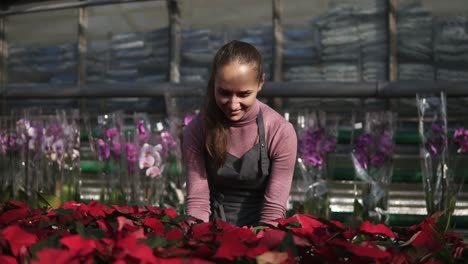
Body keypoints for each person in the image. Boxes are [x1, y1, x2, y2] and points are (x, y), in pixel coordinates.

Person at [183, 40, 297, 227]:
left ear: (261, 83)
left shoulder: (279, 132)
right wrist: (198, 241)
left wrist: (261, 247)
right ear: (214, 82)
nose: (233, 105)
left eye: (244, 94)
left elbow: (274, 210)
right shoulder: (198, 129)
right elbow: (197, 200)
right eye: (224, 93)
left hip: (262, 232)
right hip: (212, 231)